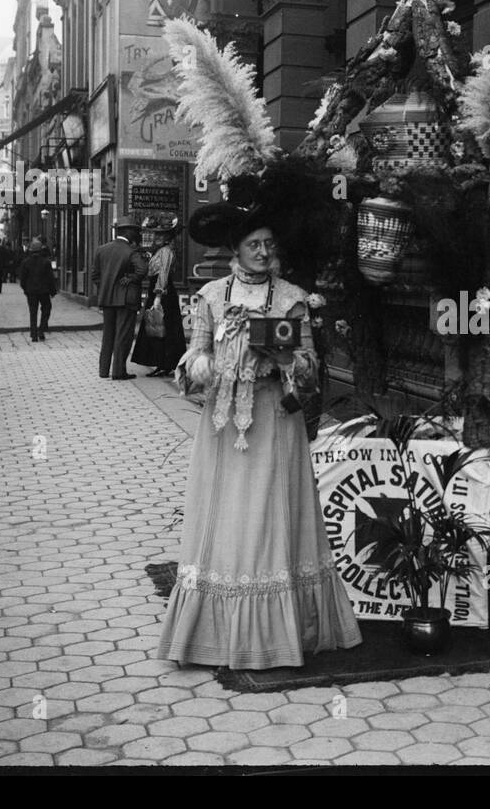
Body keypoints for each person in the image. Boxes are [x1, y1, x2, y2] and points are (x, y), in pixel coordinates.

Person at [156, 204, 361, 669]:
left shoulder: (291, 298)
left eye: (269, 244)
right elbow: (193, 359)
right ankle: (214, 631)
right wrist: (208, 366)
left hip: (274, 417)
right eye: (254, 245)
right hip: (223, 424)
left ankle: (279, 634)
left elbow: (310, 374)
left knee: (270, 513)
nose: (264, 252)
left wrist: (286, 360)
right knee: (225, 512)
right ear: (236, 250)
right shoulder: (210, 295)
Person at [90, 219, 148, 380]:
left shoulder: (101, 250)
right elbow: (143, 269)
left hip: (107, 299)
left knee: (107, 335)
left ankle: (103, 371)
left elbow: (95, 276)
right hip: (126, 300)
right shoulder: (131, 251)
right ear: (128, 232)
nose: (137, 234)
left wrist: (107, 287)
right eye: (135, 231)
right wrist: (131, 278)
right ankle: (118, 372)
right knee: (123, 335)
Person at [131, 218, 187, 377]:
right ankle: (162, 363)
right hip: (158, 291)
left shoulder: (166, 252)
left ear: (168, 237)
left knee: (163, 328)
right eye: (156, 235)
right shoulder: (160, 251)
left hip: (163, 294)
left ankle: (165, 363)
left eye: (161, 236)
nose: (157, 238)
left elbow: (163, 273)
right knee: (157, 328)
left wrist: (158, 296)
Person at [17, 237, 57, 342]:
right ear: (40, 250)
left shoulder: (26, 262)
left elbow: (22, 279)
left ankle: (34, 334)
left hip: (31, 291)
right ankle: (41, 330)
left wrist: (25, 289)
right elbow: (50, 278)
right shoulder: (46, 262)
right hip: (44, 291)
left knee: (33, 312)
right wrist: (53, 291)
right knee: (46, 309)